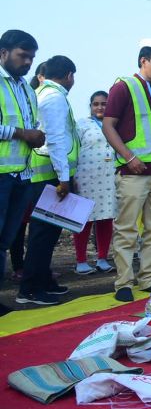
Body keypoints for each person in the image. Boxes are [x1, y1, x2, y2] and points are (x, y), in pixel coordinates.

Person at [102, 38, 151, 303]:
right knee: (126, 229)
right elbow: (108, 126)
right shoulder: (123, 87)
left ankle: (149, 278)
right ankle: (123, 282)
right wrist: (128, 156)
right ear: (143, 61)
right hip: (134, 170)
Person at [17, 56, 79, 306]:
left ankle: (43, 281)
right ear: (69, 75)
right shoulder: (54, 97)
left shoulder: (44, 92)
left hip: (48, 172)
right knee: (42, 234)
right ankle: (30, 289)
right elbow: (55, 139)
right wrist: (64, 179)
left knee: (50, 233)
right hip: (49, 174)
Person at [8, 62, 46, 283]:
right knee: (12, 230)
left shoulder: (26, 91)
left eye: (31, 57)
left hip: (25, 171)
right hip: (7, 172)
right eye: (22, 55)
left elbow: (35, 125)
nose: (26, 62)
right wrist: (24, 134)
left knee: (16, 228)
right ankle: (19, 267)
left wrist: (35, 135)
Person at [72, 90, 116, 275]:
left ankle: (102, 258)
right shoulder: (80, 125)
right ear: (90, 106)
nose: (99, 107)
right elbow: (73, 150)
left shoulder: (115, 124)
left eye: (104, 104)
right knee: (84, 218)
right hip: (85, 177)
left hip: (109, 177)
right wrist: (70, 176)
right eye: (95, 104)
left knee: (106, 217)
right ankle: (81, 260)